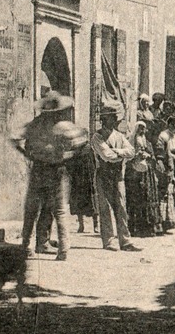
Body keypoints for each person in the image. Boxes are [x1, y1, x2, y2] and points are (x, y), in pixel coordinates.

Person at [12, 93, 87, 261]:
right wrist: (69, 155)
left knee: (31, 210)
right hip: (57, 170)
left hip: (38, 168)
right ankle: (63, 249)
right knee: (60, 210)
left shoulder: (35, 124)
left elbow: (15, 138)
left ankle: (26, 246)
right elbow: (82, 140)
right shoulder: (64, 126)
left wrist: (28, 154)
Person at [90, 105, 140, 252]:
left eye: (114, 118)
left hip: (118, 176)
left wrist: (117, 151)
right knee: (105, 208)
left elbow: (131, 151)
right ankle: (109, 241)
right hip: (103, 175)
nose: (112, 121)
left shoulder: (119, 136)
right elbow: (107, 156)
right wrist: (120, 155)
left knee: (121, 207)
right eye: (109, 118)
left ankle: (125, 241)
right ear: (103, 120)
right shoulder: (97, 136)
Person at [125, 120, 161, 235]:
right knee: (135, 199)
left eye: (143, 128)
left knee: (147, 197)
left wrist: (148, 155)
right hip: (134, 174)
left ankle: (147, 227)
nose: (141, 131)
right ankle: (134, 228)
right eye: (139, 128)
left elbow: (153, 156)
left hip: (147, 173)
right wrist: (136, 156)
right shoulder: (130, 143)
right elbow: (127, 156)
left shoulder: (148, 143)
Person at [155, 114, 175, 230]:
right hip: (166, 164)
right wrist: (172, 155)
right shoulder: (163, 135)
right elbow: (164, 151)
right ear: (169, 124)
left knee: (173, 191)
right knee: (165, 191)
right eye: (173, 124)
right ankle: (163, 221)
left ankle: (171, 220)